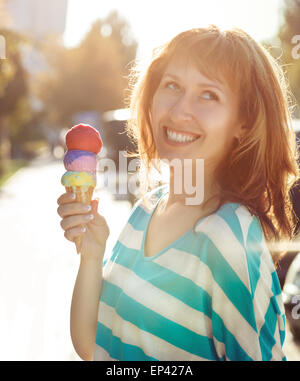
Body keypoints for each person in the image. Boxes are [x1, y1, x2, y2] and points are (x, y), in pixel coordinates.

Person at [56, 25, 299, 361]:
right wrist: (92, 254)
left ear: (243, 122)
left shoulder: (228, 238)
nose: (179, 110)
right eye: (172, 86)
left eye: (209, 94)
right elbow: (95, 348)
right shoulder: (146, 208)